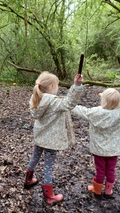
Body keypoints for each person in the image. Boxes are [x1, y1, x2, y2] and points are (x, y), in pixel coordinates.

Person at [71, 81, 120, 198]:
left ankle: (97, 190)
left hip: (99, 150)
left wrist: (67, 102)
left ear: (103, 100)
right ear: (118, 102)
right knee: (111, 170)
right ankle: (108, 191)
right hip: (114, 150)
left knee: (100, 170)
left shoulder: (94, 112)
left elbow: (79, 109)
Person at [24, 71, 84, 205]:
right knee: (48, 166)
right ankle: (49, 195)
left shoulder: (36, 98)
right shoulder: (54, 102)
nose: (57, 88)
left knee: (35, 157)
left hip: (40, 137)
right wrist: (76, 86)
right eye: (57, 85)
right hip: (51, 141)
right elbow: (69, 103)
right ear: (52, 86)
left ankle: (28, 179)